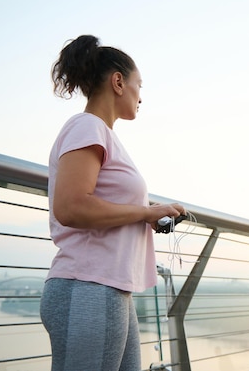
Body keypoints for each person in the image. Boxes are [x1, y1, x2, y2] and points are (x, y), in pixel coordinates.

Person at [40, 35, 185, 371]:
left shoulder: (100, 133)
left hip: (108, 288)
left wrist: (146, 216)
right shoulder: (87, 127)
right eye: (139, 85)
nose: (141, 96)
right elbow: (72, 207)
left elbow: (98, 203)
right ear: (118, 82)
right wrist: (146, 212)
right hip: (88, 287)